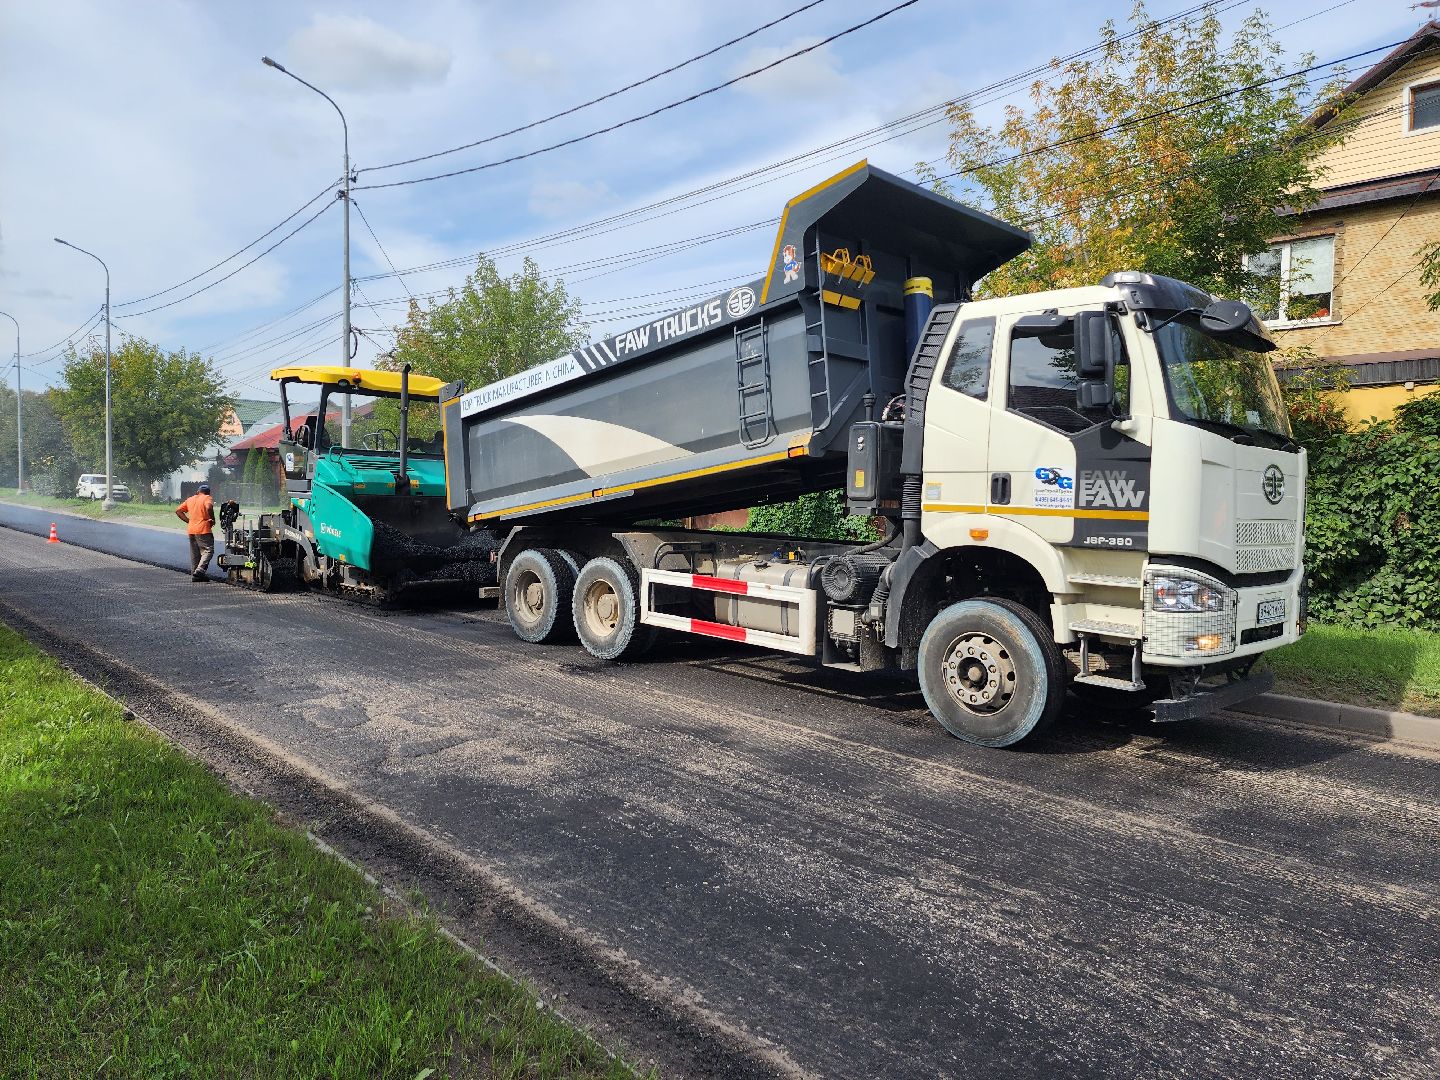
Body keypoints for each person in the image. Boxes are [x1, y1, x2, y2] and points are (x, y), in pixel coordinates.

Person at [176, 483, 216, 582]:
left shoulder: (190, 499)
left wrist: (189, 521)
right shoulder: (207, 498)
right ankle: (200, 570)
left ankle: (195, 575)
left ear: (198, 492)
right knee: (208, 550)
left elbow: (178, 511)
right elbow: (209, 507)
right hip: (203, 529)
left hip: (191, 530)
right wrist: (212, 518)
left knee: (195, 553)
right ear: (208, 492)